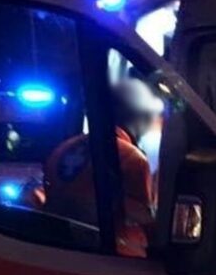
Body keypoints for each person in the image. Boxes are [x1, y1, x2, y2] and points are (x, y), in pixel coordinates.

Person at [44, 78, 161, 258]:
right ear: (135, 115)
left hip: (56, 248)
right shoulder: (131, 158)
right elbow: (146, 223)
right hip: (106, 256)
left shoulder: (63, 149)